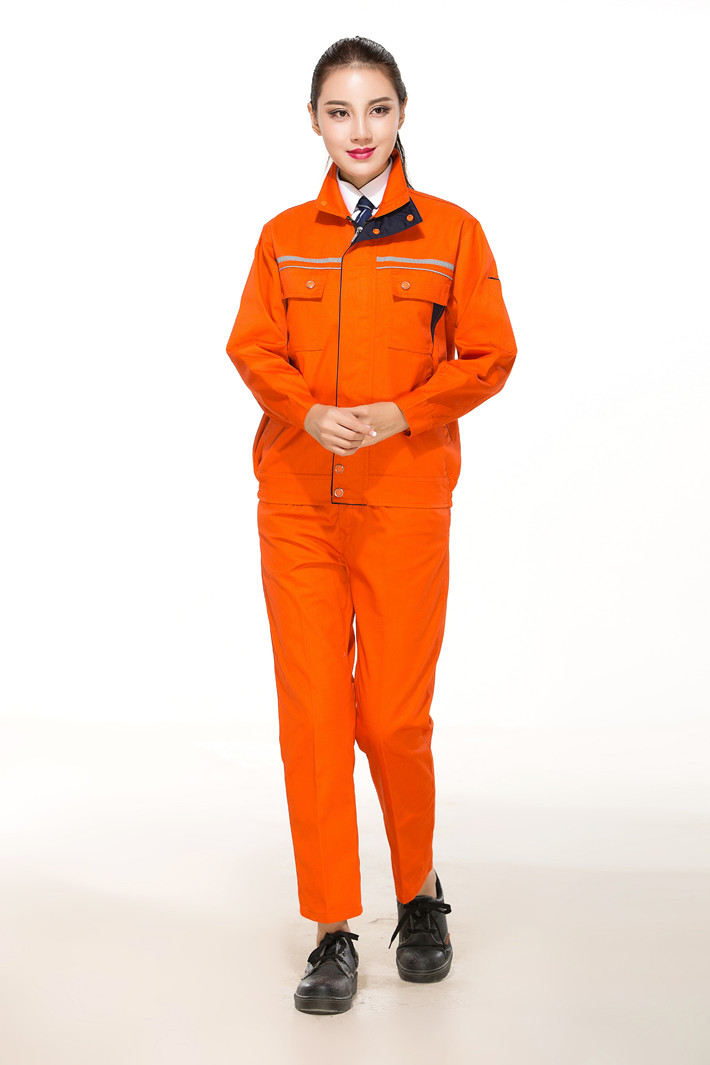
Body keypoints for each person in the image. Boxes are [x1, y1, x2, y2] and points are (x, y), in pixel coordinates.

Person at [225, 36, 517, 1014]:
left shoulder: (452, 233)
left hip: (401, 504)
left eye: (376, 109)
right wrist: (304, 410)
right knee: (314, 719)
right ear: (313, 121)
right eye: (339, 111)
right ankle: (332, 927)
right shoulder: (282, 237)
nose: (359, 130)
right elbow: (252, 345)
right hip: (299, 505)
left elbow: (489, 353)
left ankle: (417, 892)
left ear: (401, 115)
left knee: (391, 716)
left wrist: (404, 413)